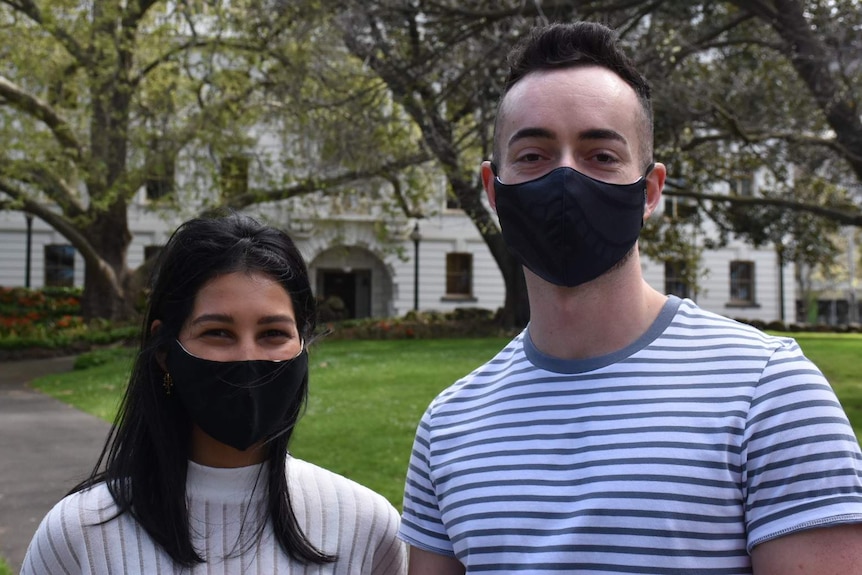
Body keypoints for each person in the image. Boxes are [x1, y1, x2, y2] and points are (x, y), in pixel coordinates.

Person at [398, 21, 862, 575]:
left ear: (649, 191)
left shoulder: (770, 392)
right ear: (493, 191)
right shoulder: (449, 425)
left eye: (600, 155)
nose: (566, 176)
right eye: (533, 155)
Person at [21, 211, 406, 574]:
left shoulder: (368, 528)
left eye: (273, 334)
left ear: (304, 345)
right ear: (166, 354)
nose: (247, 357)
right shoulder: (78, 534)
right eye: (217, 333)